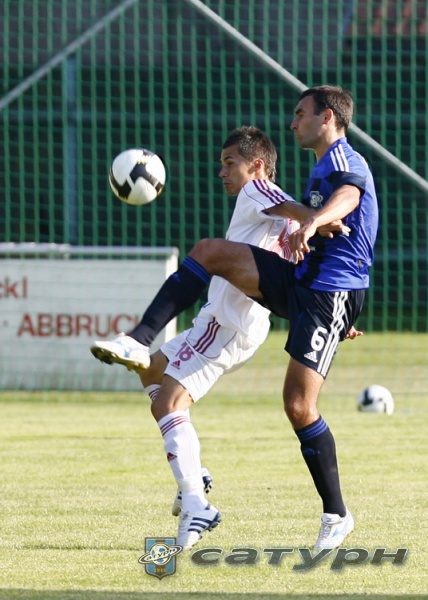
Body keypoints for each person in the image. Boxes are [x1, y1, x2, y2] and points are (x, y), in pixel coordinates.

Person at [93, 85, 376, 551]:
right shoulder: (313, 175)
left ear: (326, 117)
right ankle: (191, 472)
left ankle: (198, 499)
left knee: (174, 401)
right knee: (152, 376)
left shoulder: (308, 173)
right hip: (292, 298)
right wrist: (314, 230)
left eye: (229, 162)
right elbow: (301, 227)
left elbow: (345, 197)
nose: (222, 171)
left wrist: (314, 221)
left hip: (232, 322)